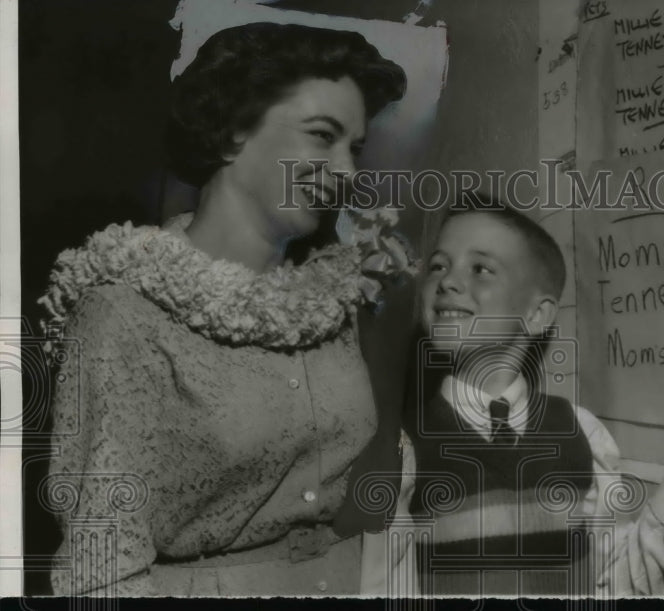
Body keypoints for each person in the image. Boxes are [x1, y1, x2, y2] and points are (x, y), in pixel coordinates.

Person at [39, 23, 411, 596]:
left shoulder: (342, 298)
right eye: (321, 136)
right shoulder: (123, 312)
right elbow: (102, 569)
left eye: (354, 148)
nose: (347, 171)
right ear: (234, 132)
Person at [361, 200, 664, 597]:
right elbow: (386, 588)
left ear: (537, 315)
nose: (448, 282)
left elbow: (615, 585)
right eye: (438, 265)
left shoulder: (582, 434)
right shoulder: (401, 448)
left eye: (480, 269)